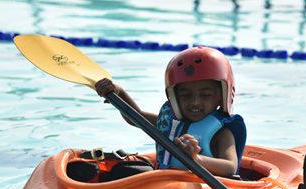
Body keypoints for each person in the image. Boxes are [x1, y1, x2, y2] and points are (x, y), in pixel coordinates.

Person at [94, 46, 246, 178]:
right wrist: (119, 93)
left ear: (222, 97)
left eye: (206, 95)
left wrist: (196, 159)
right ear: (174, 97)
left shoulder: (222, 133)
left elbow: (229, 167)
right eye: (186, 95)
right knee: (121, 171)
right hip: (165, 183)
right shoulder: (169, 124)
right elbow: (135, 117)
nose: (195, 102)